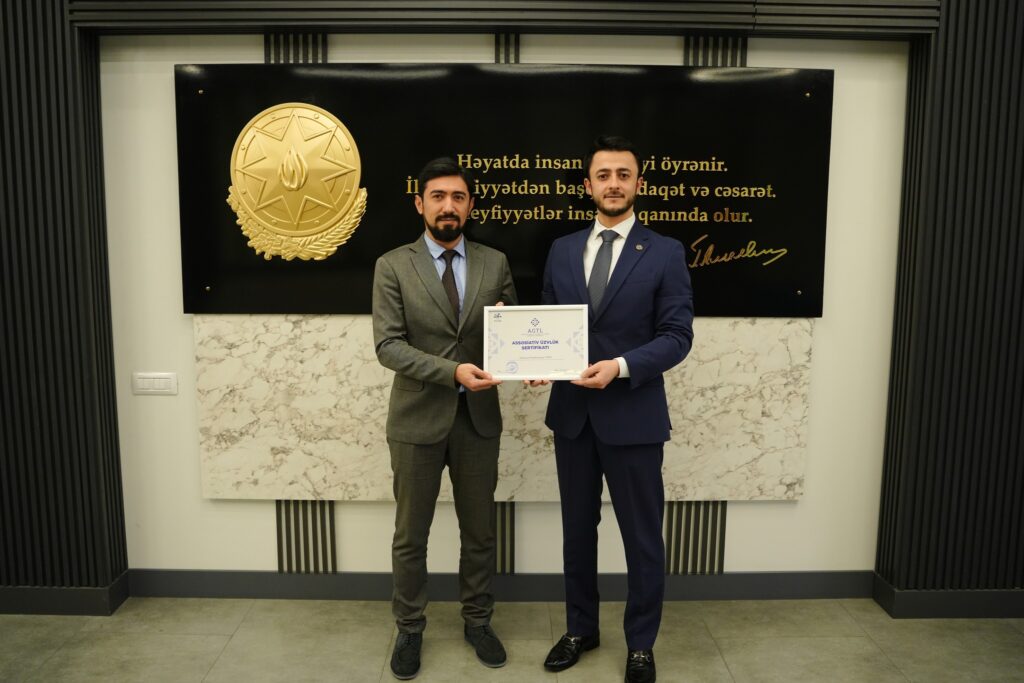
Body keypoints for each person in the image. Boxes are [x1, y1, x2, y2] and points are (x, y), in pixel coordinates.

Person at [535, 136, 694, 683]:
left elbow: (677, 336)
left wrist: (621, 366)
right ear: (588, 186)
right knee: (577, 532)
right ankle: (580, 628)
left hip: (634, 417)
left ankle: (641, 643)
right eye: (603, 175)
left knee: (642, 538)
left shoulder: (665, 252)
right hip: (572, 417)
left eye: (624, 174)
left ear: (638, 184)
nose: (613, 183)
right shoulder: (561, 250)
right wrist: (535, 360)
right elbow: (550, 323)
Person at [372, 157, 518, 680]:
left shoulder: (495, 263)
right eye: (437, 196)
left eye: (458, 197)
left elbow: (513, 332)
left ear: (470, 205)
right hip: (417, 419)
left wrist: (531, 362)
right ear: (420, 204)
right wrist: (452, 371)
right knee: (411, 536)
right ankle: (410, 627)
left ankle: (478, 621)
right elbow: (388, 346)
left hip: (478, 420)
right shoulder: (393, 265)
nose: (448, 206)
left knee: (479, 533)